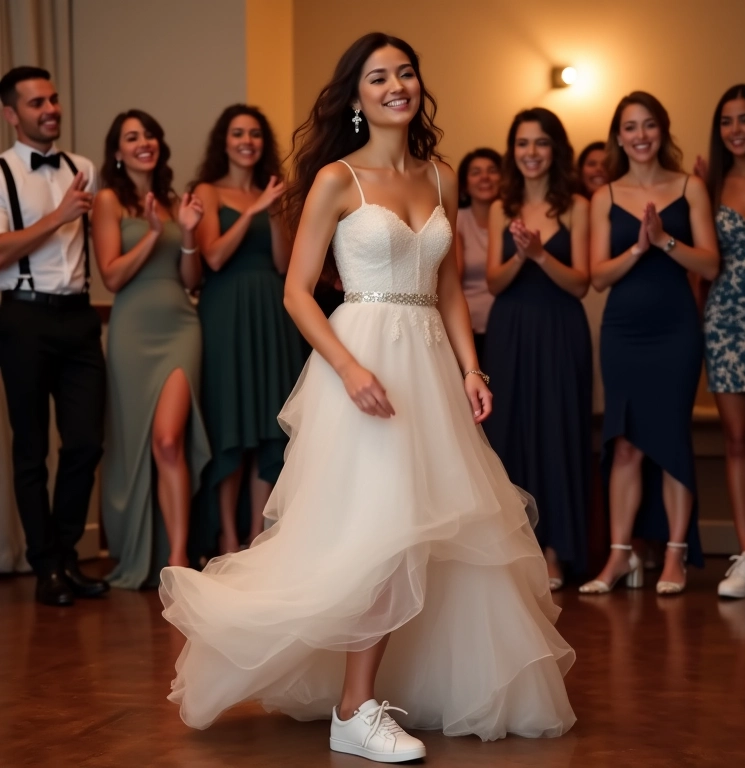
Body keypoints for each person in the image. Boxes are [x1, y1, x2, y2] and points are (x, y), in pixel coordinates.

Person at [160, 32, 575, 763]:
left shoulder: (441, 177)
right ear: (356, 97)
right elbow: (297, 293)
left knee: (430, 529)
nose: (396, 86)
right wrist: (350, 369)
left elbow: (446, 287)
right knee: (381, 530)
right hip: (363, 359)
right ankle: (353, 708)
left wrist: (472, 370)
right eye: (379, 76)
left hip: (429, 366)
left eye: (406, 73)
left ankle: (386, 692)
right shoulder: (335, 180)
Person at [580, 91, 719, 596]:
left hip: (677, 329)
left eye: (649, 126)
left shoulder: (691, 188)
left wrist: (664, 241)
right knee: (625, 447)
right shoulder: (604, 196)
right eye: (630, 127)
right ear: (619, 136)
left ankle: (676, 557)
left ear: (662, 131)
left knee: (673, 441)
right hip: (623, 331)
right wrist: (638, 247)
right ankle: (619, 557)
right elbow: (597, 276)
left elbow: (709, 264)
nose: (640, 136)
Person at [0, 66, 109, 607]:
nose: (50, 109)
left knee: (86, 442)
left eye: (54, 99)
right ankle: (44, 567)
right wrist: (58, 216)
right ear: (11, 113)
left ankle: (66, 555)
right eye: (37, 102)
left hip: (79, 316)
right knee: (31, 449)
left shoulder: (81, 167)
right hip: (22, 318)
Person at [93, 109, 210, 589]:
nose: (144, 143)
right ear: (117, 152)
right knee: (144, 442)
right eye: (131, 137)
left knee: (169, 439)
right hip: (131, 332)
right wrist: (155, 236)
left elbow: (192, 279)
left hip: (181, 325)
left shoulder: (173, 200)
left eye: (149, 135)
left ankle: (178, 557)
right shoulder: (107, 200)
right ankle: (144, 548)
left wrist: (184, 234)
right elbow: (113, 275)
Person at [484, 108, 592, 590]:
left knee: (557, 430)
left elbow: (581, 284)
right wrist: (519, 255)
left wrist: (541, 255)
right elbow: (494, 281)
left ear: (556, 150)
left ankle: (556, 551)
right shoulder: (499, 207)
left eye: (540, 143)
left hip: (560, 327)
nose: (530, 153)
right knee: (510, 432)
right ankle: (515, 547)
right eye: (523, 143)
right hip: (511, 328)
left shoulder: (577, 205)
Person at [191, 105, 305, 555]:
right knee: (231, 422)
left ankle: (260, 535)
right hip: (224, 314)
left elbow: (282, 263)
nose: (247, 141)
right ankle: (226, 535)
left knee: (266, 426)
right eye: (238, 133)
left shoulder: (274, 193)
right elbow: (213, 257)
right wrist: (251, 209)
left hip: (269, 314)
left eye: (255, 134)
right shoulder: (208, 190)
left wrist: (273, 210)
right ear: (225, 140)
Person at [703, 84, 745, 599]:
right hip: (724, 323)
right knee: (736, 443)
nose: (736, 130)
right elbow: (703, 266)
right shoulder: (710, 186)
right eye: (727, 121)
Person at [456, 148, 501, 360]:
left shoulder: (516, 219)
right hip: (471, 329)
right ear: (464, 184)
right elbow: (451, 282)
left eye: (492, 170)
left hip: (512, 325)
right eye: (476, 172)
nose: (485, 177)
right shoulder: (457, 221)